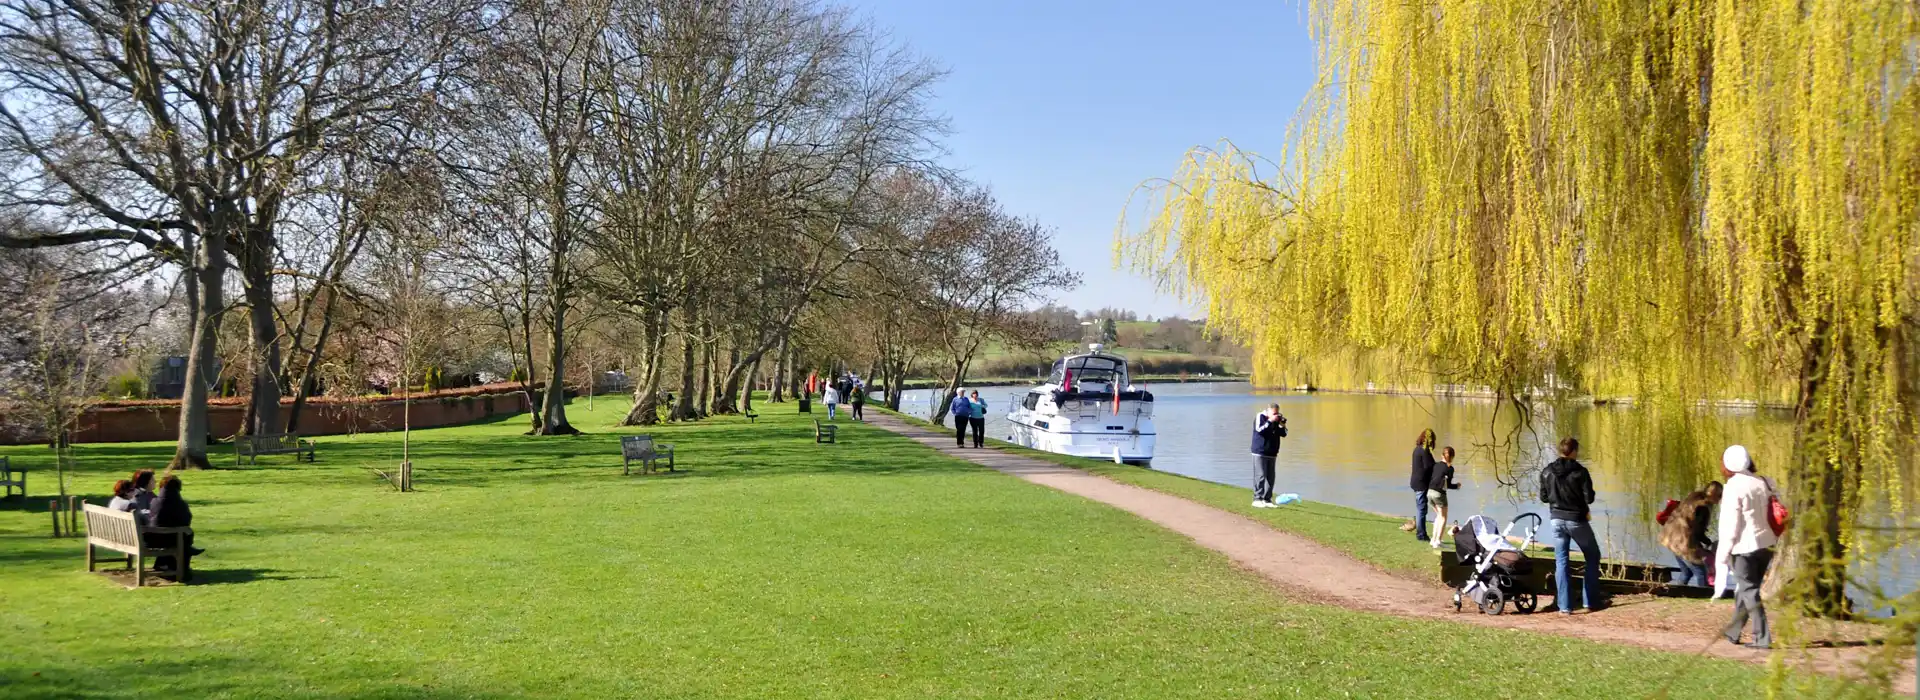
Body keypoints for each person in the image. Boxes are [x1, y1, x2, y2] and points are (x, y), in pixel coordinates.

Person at [1718, 445, 1777, 649]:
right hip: (1767, 544)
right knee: (1746, 588)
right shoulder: (1764, 482)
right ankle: (1733, 631)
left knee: (1749, 590)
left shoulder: (1733, 487)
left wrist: (1723, 554)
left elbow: (1730, 525)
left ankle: (1762, 638)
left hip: (1744, 547)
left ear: (1728, 465)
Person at [1540, 436, 1604, 614]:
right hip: (1576, 520)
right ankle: (1589, 602)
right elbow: (1589, 498)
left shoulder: (1547, 471)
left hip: (1556, 520)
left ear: (1560, 451)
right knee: (1592, 556)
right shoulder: (1581, 472)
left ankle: (1565, 607)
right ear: (1574, 451)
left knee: (1561, 561)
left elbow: (1544, 497)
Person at [1660, 482, 1723, 587]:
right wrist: (1708, 544)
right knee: (1701, 572)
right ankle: (1703, 596)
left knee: (1687, 572)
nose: (1721, 498)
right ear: (1712, 493)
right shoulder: (1703, 507)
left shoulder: (1693, 497)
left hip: (1670, 539)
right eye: (1719, 495)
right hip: (1682, 542)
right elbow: (1697, 531)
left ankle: (1677, 593)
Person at [146, 475, 203, 575]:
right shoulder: (179, 503)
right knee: (185, 536)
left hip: (152, 538)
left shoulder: (155, 501)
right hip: (166, 539)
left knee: (182, 536)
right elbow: (187, 520)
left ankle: (163, 564)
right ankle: (183, 569)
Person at [1249, 404, 1286, 508]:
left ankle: (1267, 499)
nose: (1276, 415)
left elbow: (1283, 434)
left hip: (1272, 452)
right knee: (1260, 475)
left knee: (1271, 477)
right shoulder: (1260, 417)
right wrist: (1270, 421)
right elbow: (1260, 430)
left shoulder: (1276, 420)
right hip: (1260, 451)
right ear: (1268, 411)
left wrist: (1282, 425)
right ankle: (1257, 499)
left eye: (1277, 413)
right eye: (1274, 413)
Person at [1428, 446, 1462, 549]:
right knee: (1443, 517)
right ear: (1452, 457)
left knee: (1438, 516)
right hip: (1439, 494)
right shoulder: (1450, 469)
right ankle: (1438, 541)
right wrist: (1457, 486)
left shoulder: (1436, 465)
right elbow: (1448, 485)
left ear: (1442, 455)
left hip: (1429, 492)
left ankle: (1433, 539)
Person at [1409, 429, 1437, 541]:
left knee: (1421, 508)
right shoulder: (1424, 451)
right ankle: (1421, 535)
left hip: (1416, 482)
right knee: (1421, 509)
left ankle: (1422, 533)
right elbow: (1429, 466)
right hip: (1421, 484)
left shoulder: (1417, 449)